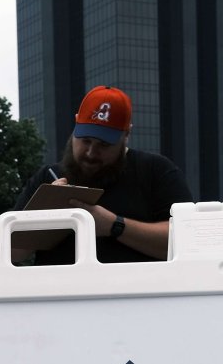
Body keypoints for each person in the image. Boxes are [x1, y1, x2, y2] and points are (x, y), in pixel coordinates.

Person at [12, 85, 193, 265]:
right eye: (85, 140)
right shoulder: (48, 177)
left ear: (126, 134)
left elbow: (188, 240)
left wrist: (115, 226)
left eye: (104, 145)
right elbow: (11, 253)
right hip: (59, 291)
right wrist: (44, 215)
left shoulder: (156, 171)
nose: (91, 152)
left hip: (134, 290)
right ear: (76, 122)